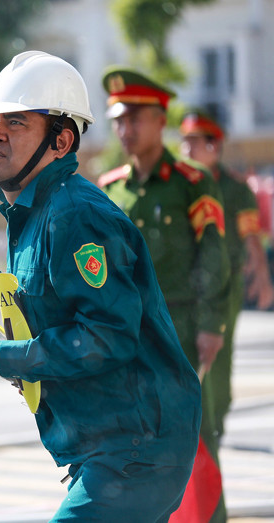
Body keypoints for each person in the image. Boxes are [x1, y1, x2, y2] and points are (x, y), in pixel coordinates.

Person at [0, 50, 201, 521]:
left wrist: (1, 356)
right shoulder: (34, 213)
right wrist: (10, 356)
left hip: (135, 448)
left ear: (61, 141)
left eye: (16, 122)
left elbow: (108, 336)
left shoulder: (75, 215)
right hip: (109, 446)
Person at [98, 68, 231, 522]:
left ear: (160, 120)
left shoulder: (191, 182)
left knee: (193, 433)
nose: (125, 129)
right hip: (127, 334)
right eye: (119, 120)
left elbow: (212, 254)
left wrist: (212, 325)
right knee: (132, 435)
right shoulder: (110, 189)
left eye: (135, 119)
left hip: (180, 328)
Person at [179, 109, 274, 441]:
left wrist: (262, 277)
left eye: (195, 142)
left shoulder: (234, 189)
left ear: (214, 147)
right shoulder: (179, 184)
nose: (187, 149)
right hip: (182, 285)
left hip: (223, 284)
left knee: (218, 352)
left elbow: (251, 237)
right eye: (184, 142)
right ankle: (191, 422)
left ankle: (215, 419)